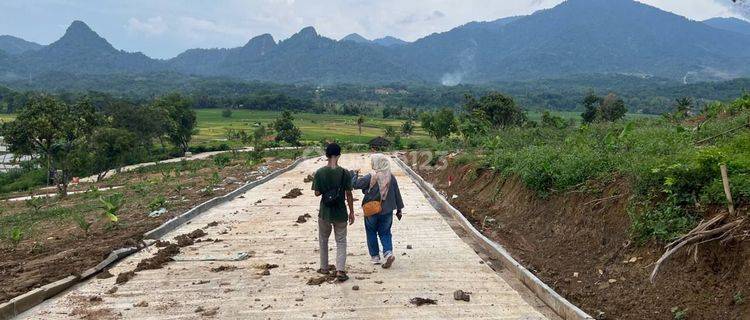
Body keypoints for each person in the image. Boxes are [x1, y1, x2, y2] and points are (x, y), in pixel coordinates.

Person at [312, 143, 355, 282]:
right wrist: (352, 212)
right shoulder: (344, 173)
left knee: (323, 240)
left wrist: (327, 190)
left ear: (326, 156)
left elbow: (317, 193)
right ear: (339, 156)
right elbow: (348, 194)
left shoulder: (319, 172)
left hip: (325, 212)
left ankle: (324, 268)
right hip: (340, 212)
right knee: (341, 241)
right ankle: (340, 271)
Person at [352, 153, 404, 269]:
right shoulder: (391, 177)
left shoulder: (371, 176)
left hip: (372, 210)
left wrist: (354, 174)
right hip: (387, 211)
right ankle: (388, 253)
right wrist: (399, 210)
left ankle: (375, 257)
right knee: (385, 232)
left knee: (371, 232)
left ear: (377, 163)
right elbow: (397, 194)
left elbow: (354, 185)